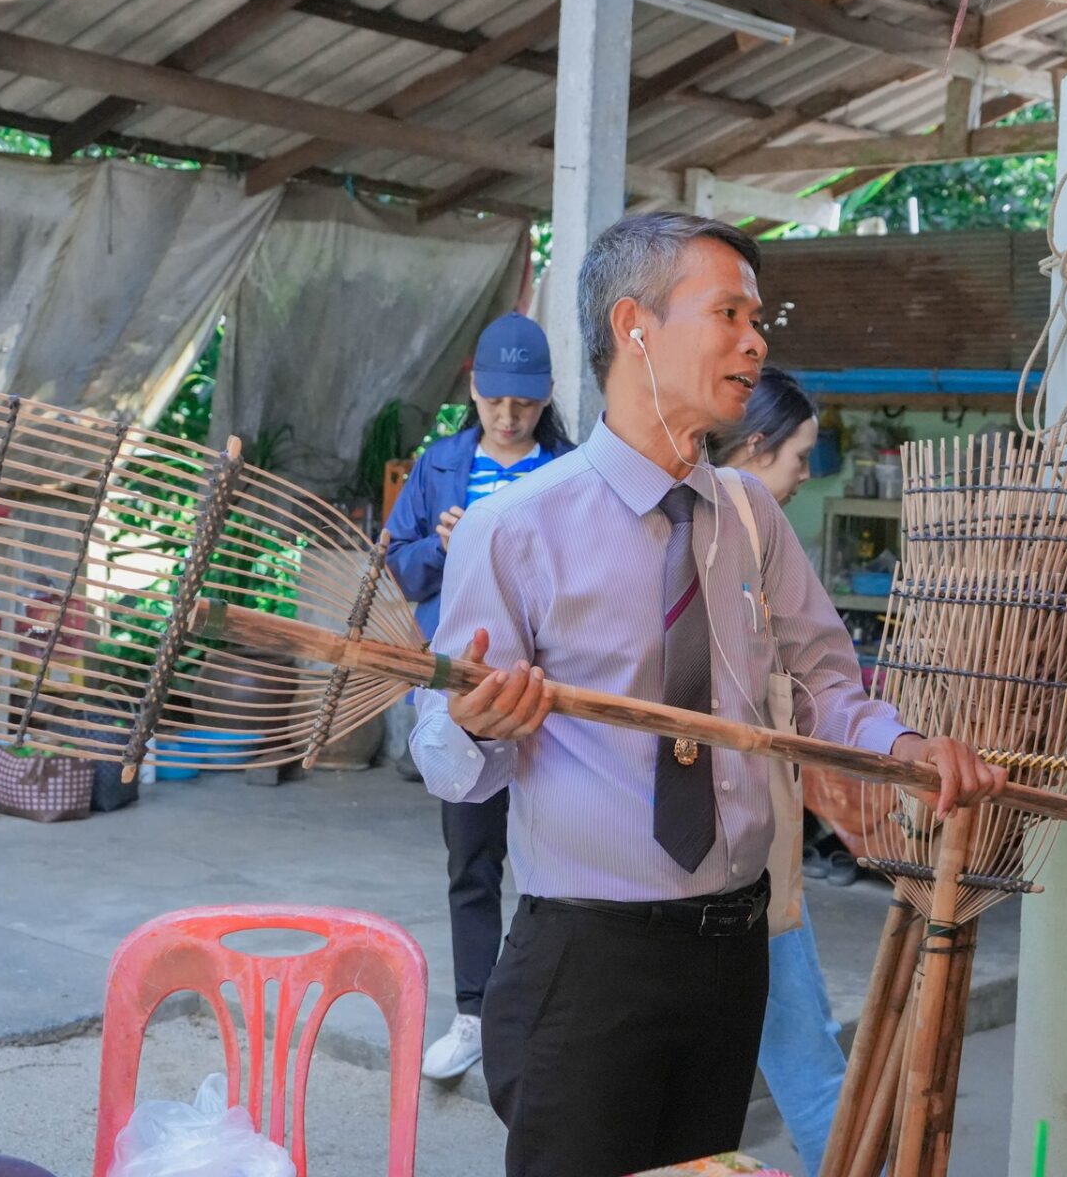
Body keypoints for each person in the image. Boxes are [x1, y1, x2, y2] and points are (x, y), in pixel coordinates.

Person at [410, 212, 1002, 1177]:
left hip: (732, 949)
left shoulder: (750, 516)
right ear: (635, 326)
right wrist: (478, 725)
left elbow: (822, 684)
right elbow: (445, 757)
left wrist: (904, 748)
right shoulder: (515, 529)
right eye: (729, 314)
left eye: (757, 319)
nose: (756, 342)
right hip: (588, 964)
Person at [383, 311, 573, 1082]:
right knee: (472, 856)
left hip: (558, 695)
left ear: (546, 396)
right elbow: (396, 565)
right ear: (475, 391)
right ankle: (473, 1014)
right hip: (464, 695)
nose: (508, 416)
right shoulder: (440, 466)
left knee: (561, 860)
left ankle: (546, 1019)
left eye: (523, 403)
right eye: (496, 401)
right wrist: (441, 546)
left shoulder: (572, 471)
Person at [707, 368, 843, 1177]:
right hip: (730, 863)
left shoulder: (756, 548)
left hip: (756, 854)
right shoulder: (724, 543)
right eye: (798, 458)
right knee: (806, 1055)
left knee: (797, 1048)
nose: (803, 478)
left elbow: (821, 681)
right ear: (755, 448)